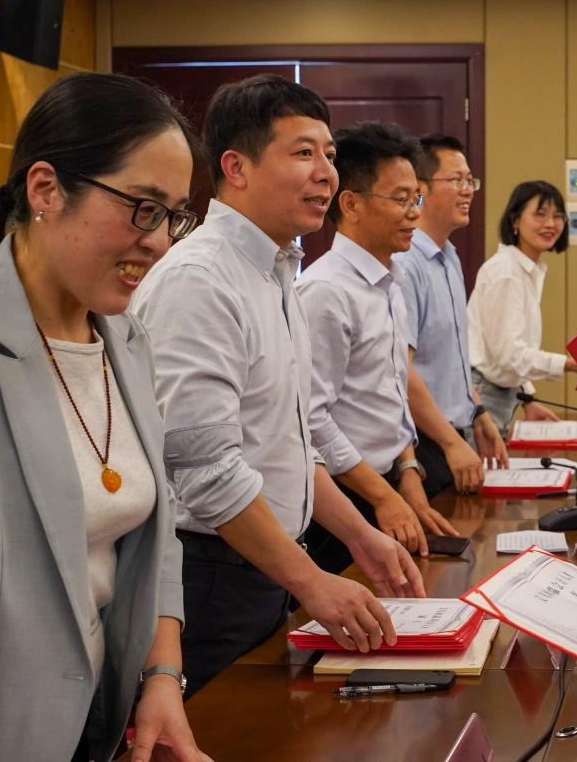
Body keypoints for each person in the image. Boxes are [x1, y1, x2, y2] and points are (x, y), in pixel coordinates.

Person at [0, 73, 207, 761]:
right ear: (45, 189)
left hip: (100, 715)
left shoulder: (124, 338)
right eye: (143, 208)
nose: (160, 242)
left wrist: (162, 673)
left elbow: (156, 536)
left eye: (174, 216)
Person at [134, 75, 417, 698]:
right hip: (208, 574)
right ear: (235, 167)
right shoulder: (200, 279)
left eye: (330, 155)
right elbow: (206, 472)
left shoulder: (276, 269)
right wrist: (311, 580)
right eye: (303, 153)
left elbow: (290, 439)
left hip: (265, 564)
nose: (326, 174)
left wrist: (360, 535)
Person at [296, 121, 459, 571]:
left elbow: (392, 391)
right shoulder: (325, 292)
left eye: (416, 199)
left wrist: (408, 471)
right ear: (351, 204)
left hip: (388, 485)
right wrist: (383, 496)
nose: (414, 214)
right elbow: (311, 420)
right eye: (400, 199)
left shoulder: (389, 281)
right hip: (344, 498)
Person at [393, 134, 509, 495]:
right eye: (456, 180)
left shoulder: (449, 258)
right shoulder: (406, 263)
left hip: (451, 433)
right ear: (421, 189)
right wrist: (450, 442)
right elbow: (402, 370)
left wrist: (478, 413)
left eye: (470, 180)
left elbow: (451, 357)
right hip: (421, 440)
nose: (468, 190)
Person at [467, 179, 577, 434]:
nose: (550, 224)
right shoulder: (506, 272)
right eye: (540, 214)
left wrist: (528, 399)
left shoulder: (524, 269)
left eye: (558, 216)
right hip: (483, 394)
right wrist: (569, 364)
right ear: (515, 220)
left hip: (501, 392)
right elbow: (509, 356)